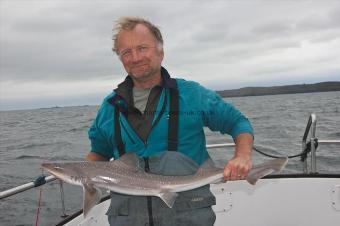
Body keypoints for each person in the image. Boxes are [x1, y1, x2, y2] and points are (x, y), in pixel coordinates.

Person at [86, 16, 254, 226]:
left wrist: (242, 156)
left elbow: (238, 123)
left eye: (143, 48)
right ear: (120, 59)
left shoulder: (191, 94)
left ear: (161, 52)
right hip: (129, 218)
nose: (135, 57)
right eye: (126, 52)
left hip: (188, 215)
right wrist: (82, 175)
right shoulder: (110, 106)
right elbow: (98, 153)